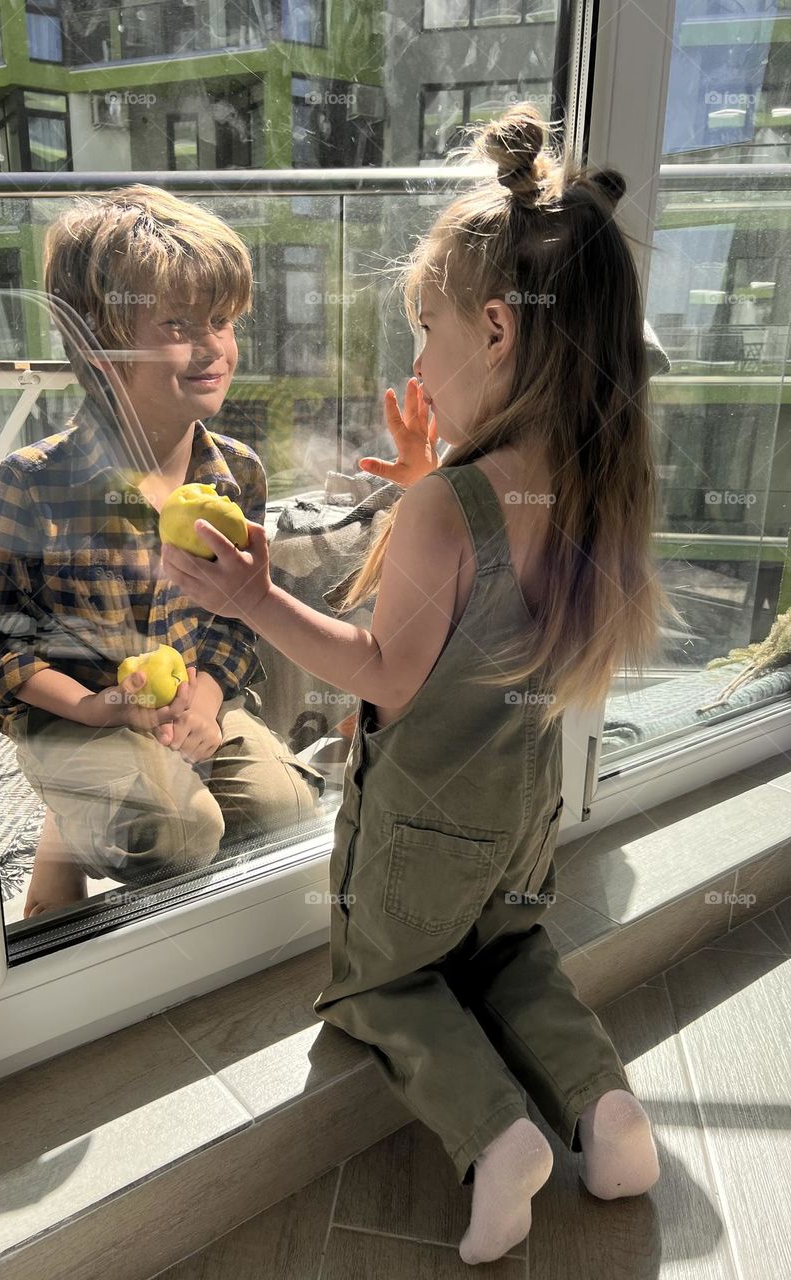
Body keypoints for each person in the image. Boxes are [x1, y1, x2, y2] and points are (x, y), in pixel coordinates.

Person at [160, 103, 682, 1265]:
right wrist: (420, 476)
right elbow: (492, 566)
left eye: (424, 327)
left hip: (424, 827)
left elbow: (384, 668)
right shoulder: (591, 478)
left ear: (496, 328)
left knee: (383, 983)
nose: (413, 359)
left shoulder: (450, 507)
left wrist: (250, 598)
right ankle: (610, 1112)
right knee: (510, 952)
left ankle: (498, 1139)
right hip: (520, 816)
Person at [0, 184, 327, 919]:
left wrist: (208, 696)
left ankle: (103, 809)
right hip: (74, 710)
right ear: (101, 347)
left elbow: (235, 620)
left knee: (283, 812)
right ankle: (66, 823)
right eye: (178, 324)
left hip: (182, 694)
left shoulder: (238, 474)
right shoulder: (30, 484)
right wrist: (97, 710)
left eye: (223, 322)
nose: (213, 348)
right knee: (175, 833)